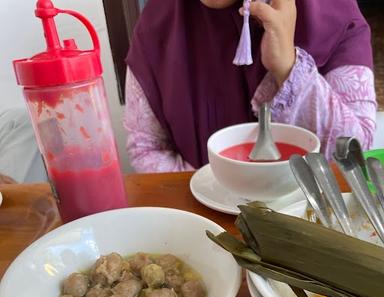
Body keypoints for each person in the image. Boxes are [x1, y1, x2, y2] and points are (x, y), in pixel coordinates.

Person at [124, 0, 377, 172]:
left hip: (311, 223)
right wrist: (213, 191)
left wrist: (288, 69)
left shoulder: (333, 14)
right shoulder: (158, 25)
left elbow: (351, 156)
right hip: (205, 227)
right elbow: (147, 147)